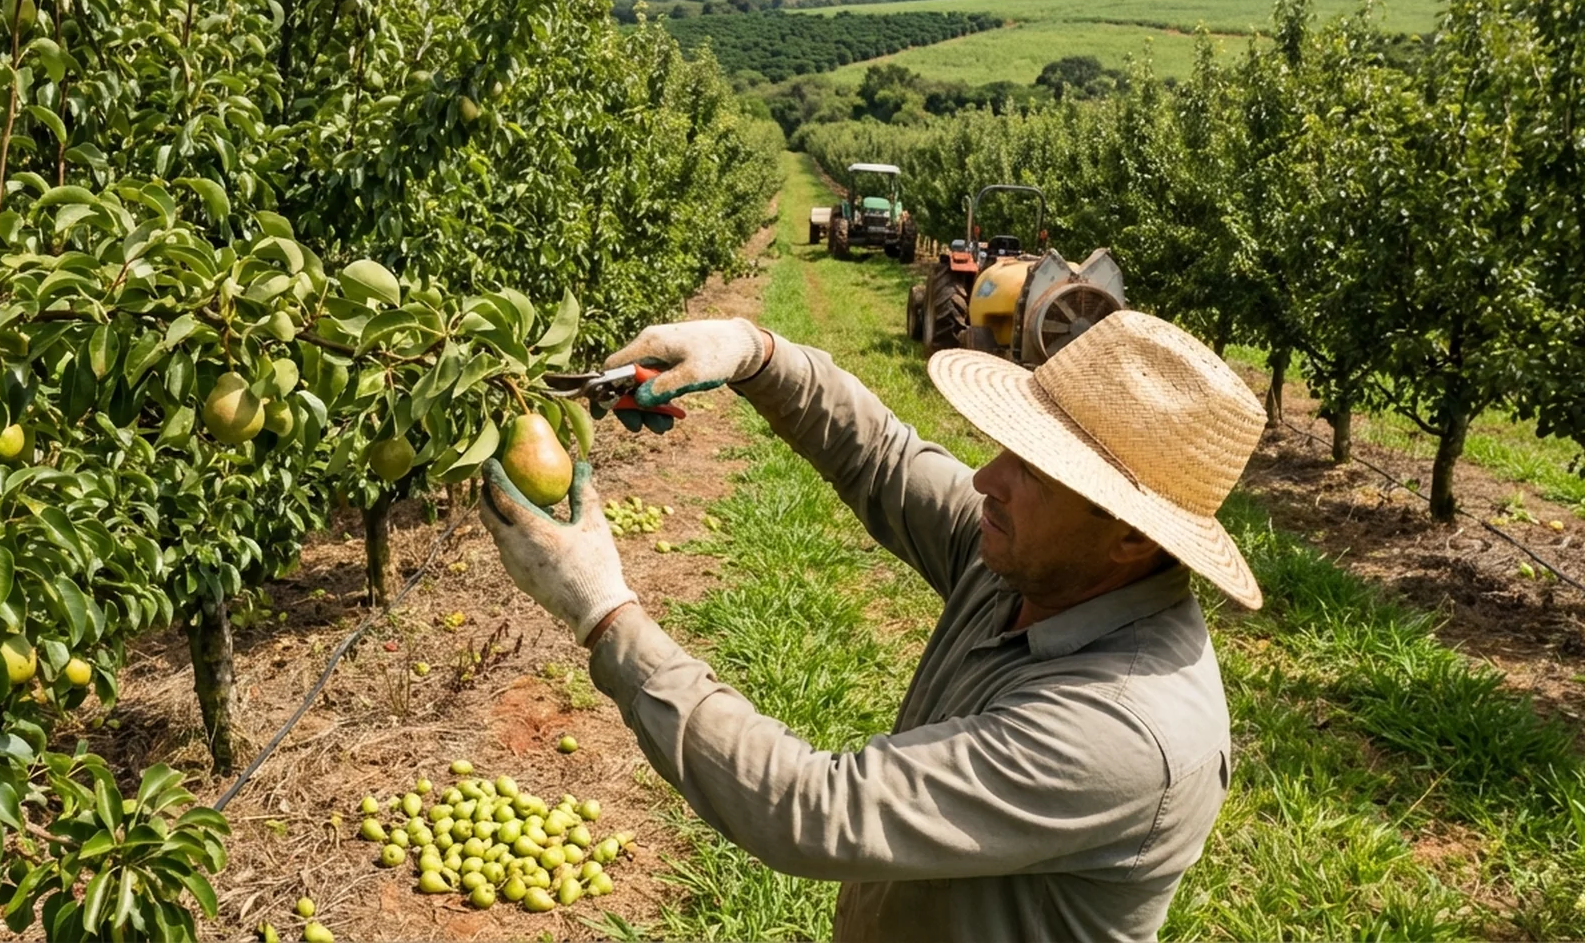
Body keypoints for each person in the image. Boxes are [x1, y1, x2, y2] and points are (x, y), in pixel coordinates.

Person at [478, 311, 1268, 942]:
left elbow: (812, 808)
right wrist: (756, 354)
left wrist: (605, 613)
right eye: (1008, 449)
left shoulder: (1124, 732)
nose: (987, 478)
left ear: (1132, 535)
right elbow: (884, 460)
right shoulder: (1030, 559)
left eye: (1032, 472)